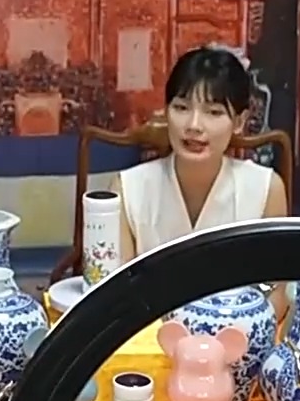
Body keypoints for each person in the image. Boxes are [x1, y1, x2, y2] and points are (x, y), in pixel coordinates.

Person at [116, 46, 289, 315]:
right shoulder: (129, 189)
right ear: (166, 111)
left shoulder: (266, 189)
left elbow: (275, 295)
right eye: (181, 108)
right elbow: (116, 299)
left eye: (214, 112)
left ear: (239, 121)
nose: (194, 125)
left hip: (237, 336)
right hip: (151, 336)